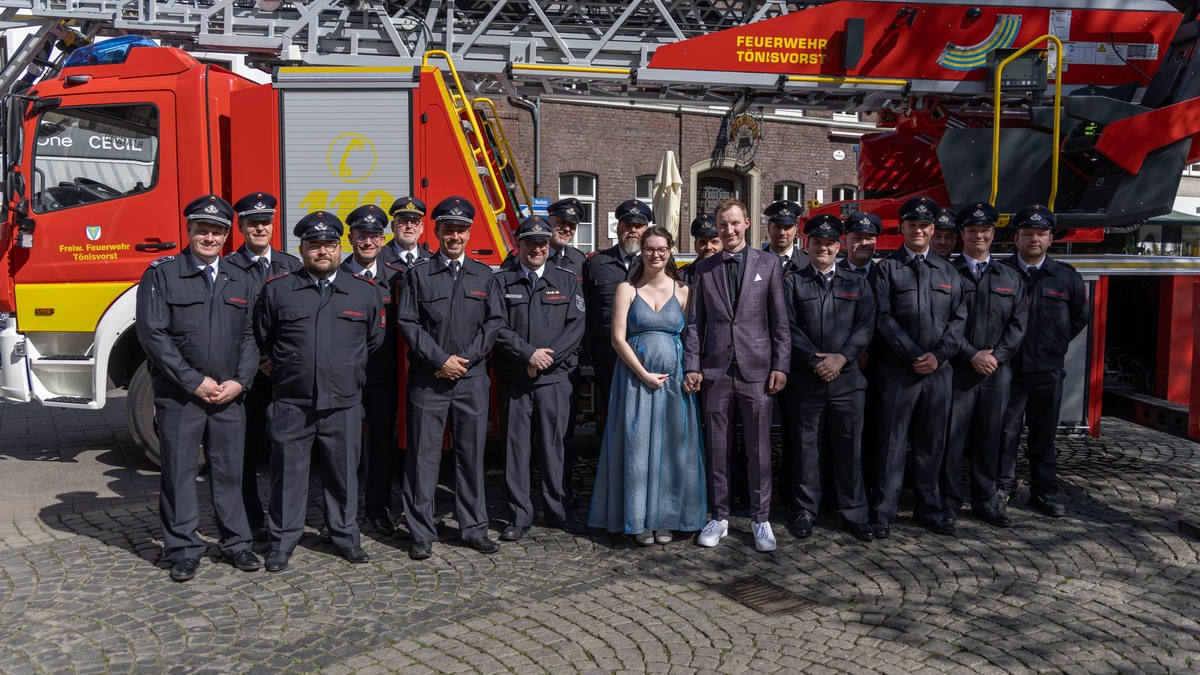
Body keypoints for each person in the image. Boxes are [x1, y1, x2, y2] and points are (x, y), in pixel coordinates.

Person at [137, 194, 261, 581]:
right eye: (202, 230)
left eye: (217, 231)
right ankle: (182, 549)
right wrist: (193, 381)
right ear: (188, 230)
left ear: (227, 235)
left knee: (231, 472)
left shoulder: (241, 277)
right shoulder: (162, 273)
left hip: (228, 396)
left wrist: (240, 382)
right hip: (180, 395)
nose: (209, 237)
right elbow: (152, 333)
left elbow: (251, 335)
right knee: (179, 471)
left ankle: (236, 542)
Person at [253, 211, 384, 572]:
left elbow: (373, 340)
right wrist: (275, 365)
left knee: (343, 474)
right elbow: (262, 336)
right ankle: (282, 542)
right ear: (302, 249)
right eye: (314, 245)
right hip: (292, 402)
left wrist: (347, 369)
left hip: (343, 402)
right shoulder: (278, 289)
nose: (322, 252)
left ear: (339, 248)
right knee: (286, 477)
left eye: (329, 245)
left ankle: (344, 537)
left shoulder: (363, 290)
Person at [398, 196, 505, 560]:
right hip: (429, 380)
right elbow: (408, 323)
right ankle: (421, 532)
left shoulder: (483, 275)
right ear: (438, 231)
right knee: (423, 458)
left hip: (471, 380)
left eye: (461, 230)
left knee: (471, 456)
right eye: (448, 229)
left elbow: (494, 323)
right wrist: (440, 359)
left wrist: (467, 359)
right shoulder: (418, 274)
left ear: (469, 233)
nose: (454, 236)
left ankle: (473, 528)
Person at [683, 198, 790, 552]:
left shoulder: (769, 264)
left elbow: (780, 323)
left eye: (734, 223)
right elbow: (695, 324)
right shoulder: (705, 268)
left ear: (747, 223)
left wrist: (780, 365)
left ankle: (761, 519)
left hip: (757, 371)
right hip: (715, 372)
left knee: (759, 450)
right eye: (722, 225)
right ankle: (719, 515)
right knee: (718, 449)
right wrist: (692, 365)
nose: (728, 230)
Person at [590, 225, 707, 544]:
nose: (655, 254)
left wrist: (690, 371)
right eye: (649, 249)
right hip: (634, 380)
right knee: (636, 446)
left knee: (672, 448)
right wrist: (642, 373)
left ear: (670, 251)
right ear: (640, 251)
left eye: (662, 249)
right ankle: (637, 519)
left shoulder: (684, 290)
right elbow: (617, 339)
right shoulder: (626, 289)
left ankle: (665, 519)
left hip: (674, 384)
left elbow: (689, 337)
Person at [869, 195, 966, 538]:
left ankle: (929, 508)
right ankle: (884, 510)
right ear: (903, 228)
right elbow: (881, 317)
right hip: (898, 372)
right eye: (913, 225)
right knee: (891, 444)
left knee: (932, 443)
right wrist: (913, 354)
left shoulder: (948, 271)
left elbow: (958, 320)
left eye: (926, 226)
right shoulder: (887, 269)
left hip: (939, 373)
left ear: (932, 229)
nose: (920, 231)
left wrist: (938, 356)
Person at [783, 214, 876, 542]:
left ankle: (854, 512)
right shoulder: (792, 282)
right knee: (806, 449)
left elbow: (866, 325)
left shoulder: (857, 282)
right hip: (806, 381)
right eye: (818, 243)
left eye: (830, 243)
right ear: (806, 245)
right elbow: (788, 327)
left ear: (839, 246)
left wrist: (842, 358)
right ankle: (806, 510)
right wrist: (814, 360)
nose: (824, 248)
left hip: (847, 382)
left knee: (850, 449)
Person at [494, 216, 587, 540]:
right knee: (515, 449)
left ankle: (559, 511)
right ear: (518, 244)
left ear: (549, 246)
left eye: (542, 243)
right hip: (516, 380)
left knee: (555, 448)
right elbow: (497, 327)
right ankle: (519, 516)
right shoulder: (501, 282)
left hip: (554, 381)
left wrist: (544, 360)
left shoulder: (568, 280)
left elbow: (576, 327)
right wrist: (527, 356)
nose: (537, 248)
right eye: (531, 243)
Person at [999, 204, 1089, 518]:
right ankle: (1003, 490)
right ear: (1016, 238)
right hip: (1009, 369)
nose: (1034, 239)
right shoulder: (1001, 273)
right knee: (1006, 433)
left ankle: (1043, 492)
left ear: (1050, 239)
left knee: (1044, 433)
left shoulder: (1065, 277)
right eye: (1027, 234)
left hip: (1048, 369)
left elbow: (1079, 317)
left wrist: (1055, 344)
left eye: (1040, 234)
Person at [223, 191, 302, 542]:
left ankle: (286, 519)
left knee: (288, 453)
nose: (260, 228)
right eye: (253, 223)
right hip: (244, 377)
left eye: (265, 222)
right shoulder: (225, 269)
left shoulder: (292, 266)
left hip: (283, 376)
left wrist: (277, 361)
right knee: (244, 452)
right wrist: (256, 363)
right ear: (240, 226)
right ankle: (250, 520)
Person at [943, 202, 1026, 528]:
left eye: (985, 230)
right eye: (972, 230)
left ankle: (985, 500)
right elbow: (942, 321)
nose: (979, 235)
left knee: (991, 437)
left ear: (993, 234)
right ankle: (949, 501)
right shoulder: (947, 272)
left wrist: (996, 356)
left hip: (996, 372)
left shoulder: (1009, 275)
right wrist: (969, 354)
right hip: (958, 369)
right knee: (952, 438)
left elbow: (1019, 324)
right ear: (961, 234)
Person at [340, 204, 403, 536]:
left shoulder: (396, 277)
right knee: (342, 450)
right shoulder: (333, 275)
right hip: (342, 378)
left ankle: (378, 509)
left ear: (383, 239)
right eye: (362, 235)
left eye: (374, 236)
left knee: (379, 447)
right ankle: (342, 515)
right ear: (351, 237)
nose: (368, 242)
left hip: (382, 377)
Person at [583, 199, 652, 409]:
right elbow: (585, 310)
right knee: (611, 408)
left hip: (645, 352)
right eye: (627, 225)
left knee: (642, 409)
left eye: (638, 226)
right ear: (618, 227)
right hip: (607, 353)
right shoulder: (596, 264)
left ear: (646, 229)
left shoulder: (657, 263)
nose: (632, 231)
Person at [378, 196, 429, 266]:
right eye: (403, 221)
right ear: (393, 226)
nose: (409, 226)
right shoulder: (377, 259)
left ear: (421, 227)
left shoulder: (431, 261)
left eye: (414, 222)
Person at [764, 199, 808, 273]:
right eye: (777, 227)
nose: (782, 232)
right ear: (769, 228)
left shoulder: (807, 263)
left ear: (796, 229)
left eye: (787, 227)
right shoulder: (755, 262)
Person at [678, 213, 723, 285]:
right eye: (703, 242)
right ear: (695, 245)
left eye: (714, 242)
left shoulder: (729, 273)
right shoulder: (682, 277)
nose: (708, 247)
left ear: (723, 244)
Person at [838, 211, 882, 284]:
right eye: (857, 238)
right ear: (845, 243)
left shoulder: (884, 274)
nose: (864, 243)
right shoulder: (833, 274)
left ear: (875, 244)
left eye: (869, 239)